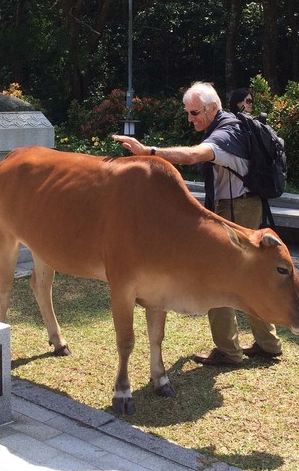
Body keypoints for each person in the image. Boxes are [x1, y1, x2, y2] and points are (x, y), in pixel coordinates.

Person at [112, 81, 283, 367]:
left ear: (212, 108)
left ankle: (229, 351)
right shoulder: (231, 126)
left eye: (194, 112)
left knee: (219, 278)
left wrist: (147, 152)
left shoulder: (226, 132)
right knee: (251, 277)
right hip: (246, 206)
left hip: (234, 209)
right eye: (188, 113)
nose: (190, 119)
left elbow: (193, 155)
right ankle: (268, 344)